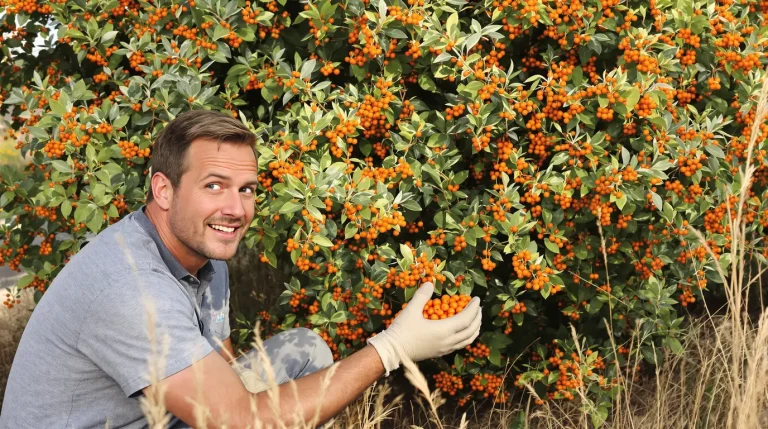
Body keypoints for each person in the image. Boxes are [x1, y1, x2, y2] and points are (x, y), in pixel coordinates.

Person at [0, 110, 482, 428]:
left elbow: (227, 372)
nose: (235, 209)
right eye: (214, 185)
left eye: (246, 189)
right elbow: (236, 420)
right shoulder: (130, 286)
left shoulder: (207, 252)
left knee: (306, 351)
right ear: (164, 190)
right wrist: (391, 348)